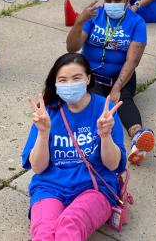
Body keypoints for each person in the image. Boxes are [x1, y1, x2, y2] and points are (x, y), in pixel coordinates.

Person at [22, 53, 126, 241]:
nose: (69, 84)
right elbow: (37, 167)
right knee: (44, 232)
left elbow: (113, 165)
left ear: (88, 78)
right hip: (50, 187)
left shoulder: (104, 110)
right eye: (63, 80)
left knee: (70, 224)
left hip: (94, 188)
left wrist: (105, 135)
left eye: (76, 78)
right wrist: (43, 133)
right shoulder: (47, 112)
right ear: (55, 83)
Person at [65, 0, 155, 164]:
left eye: (117, 0)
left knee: (123, 100)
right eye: (108, 0)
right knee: (95, 103)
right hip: (92, 75)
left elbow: (133, 60)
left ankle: (138, 137)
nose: (112, 4)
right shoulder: (95, 15)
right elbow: (72, 47)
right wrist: (79, 21)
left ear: (127, 1)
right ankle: (97, 142)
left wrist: (117, 87)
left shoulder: (136, 23)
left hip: (121, 75)